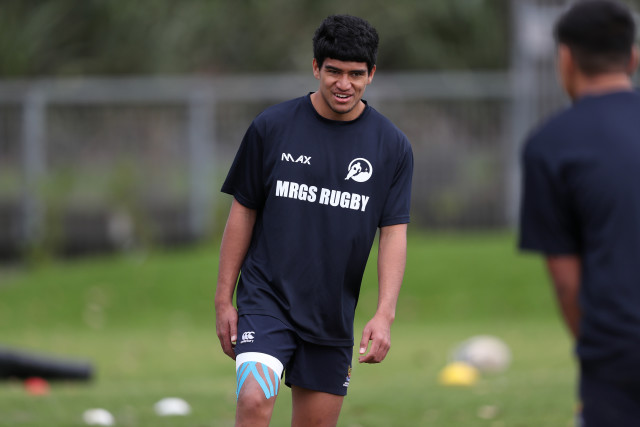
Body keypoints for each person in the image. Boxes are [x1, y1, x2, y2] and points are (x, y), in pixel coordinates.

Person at [215, 14, 413, 427]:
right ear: (315, 68)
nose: (344, 84)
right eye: (334, 71)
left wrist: (385, 314)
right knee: (253, 399)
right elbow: (243, 212)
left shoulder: (391, 146)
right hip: (266, 299)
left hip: (330, 313)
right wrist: (223, 299)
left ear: (371, 74)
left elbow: (393, 233)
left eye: (355, 74)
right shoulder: (271, 127)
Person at [518, 1, 640, 425]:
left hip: (617, 348)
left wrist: (598, 349)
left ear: (565, 58)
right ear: (633, 57)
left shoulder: (550, 145)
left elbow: (567, 282)